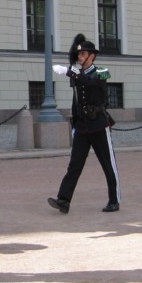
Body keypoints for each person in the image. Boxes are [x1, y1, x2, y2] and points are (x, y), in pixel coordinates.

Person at [47, 35, 121, 213]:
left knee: (107, 163)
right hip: (83, 126)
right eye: (78, 55)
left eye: (84, 54)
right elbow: (77, 100)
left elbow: (91, 82)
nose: (80, 57)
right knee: (75, 164)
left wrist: (69, 72)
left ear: (92, 56)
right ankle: (64, 199)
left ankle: (114, 199)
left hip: (99, 124)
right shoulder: (78, 75)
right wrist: (75, 124)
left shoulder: (101, 72)